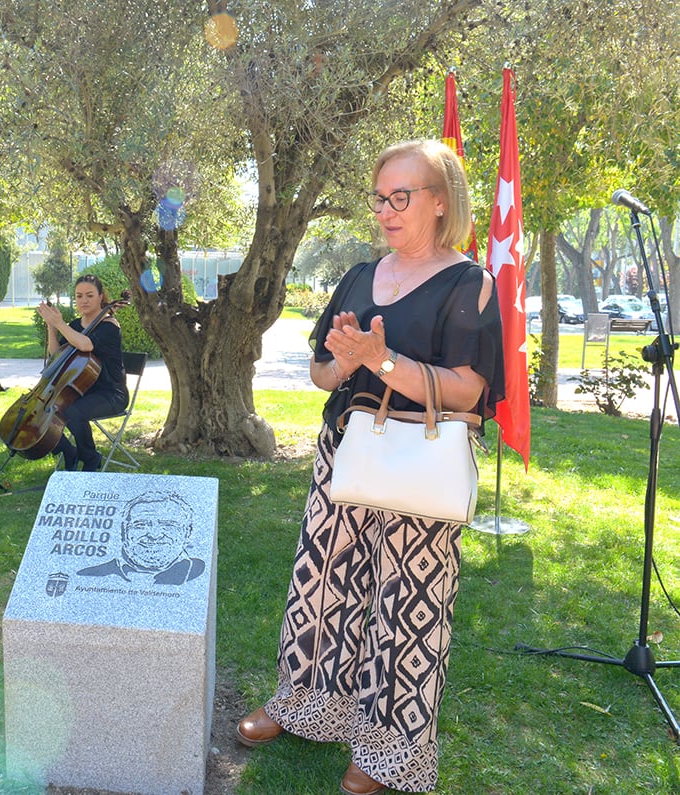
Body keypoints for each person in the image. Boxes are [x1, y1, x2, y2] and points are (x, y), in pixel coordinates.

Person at [236, 139, 505, 795]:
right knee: (321, 587)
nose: (386, 210)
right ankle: (304, 705)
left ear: (439, 203)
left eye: (400, 197)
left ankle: (387, 753)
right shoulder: (358, 275)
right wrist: (347, 359)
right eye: (380, 197)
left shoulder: (469, 283)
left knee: (404, 606)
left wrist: (384, 361)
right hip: (346, 451)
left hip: (423, 459)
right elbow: (322, 371)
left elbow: (470, 388)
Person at [36, 274, 128, 472]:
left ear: (101, 297)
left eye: (89, 295)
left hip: (111, 394)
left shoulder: (110, 326)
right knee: (48, 409)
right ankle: (69, 451)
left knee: (72, 411)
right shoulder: (77, 326)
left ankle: (91, 458)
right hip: (83, 390)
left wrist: (61, 324)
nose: (83, 301)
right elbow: (56, 354)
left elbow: (86, 345)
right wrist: (52, 327)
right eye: (79, 296)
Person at [77, 491, 206, 585]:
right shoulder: (89, 575)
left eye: (168, 525)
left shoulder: (198, 573)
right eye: (141, 525)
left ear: (187, 533)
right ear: (124, 531)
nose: (154, 535)